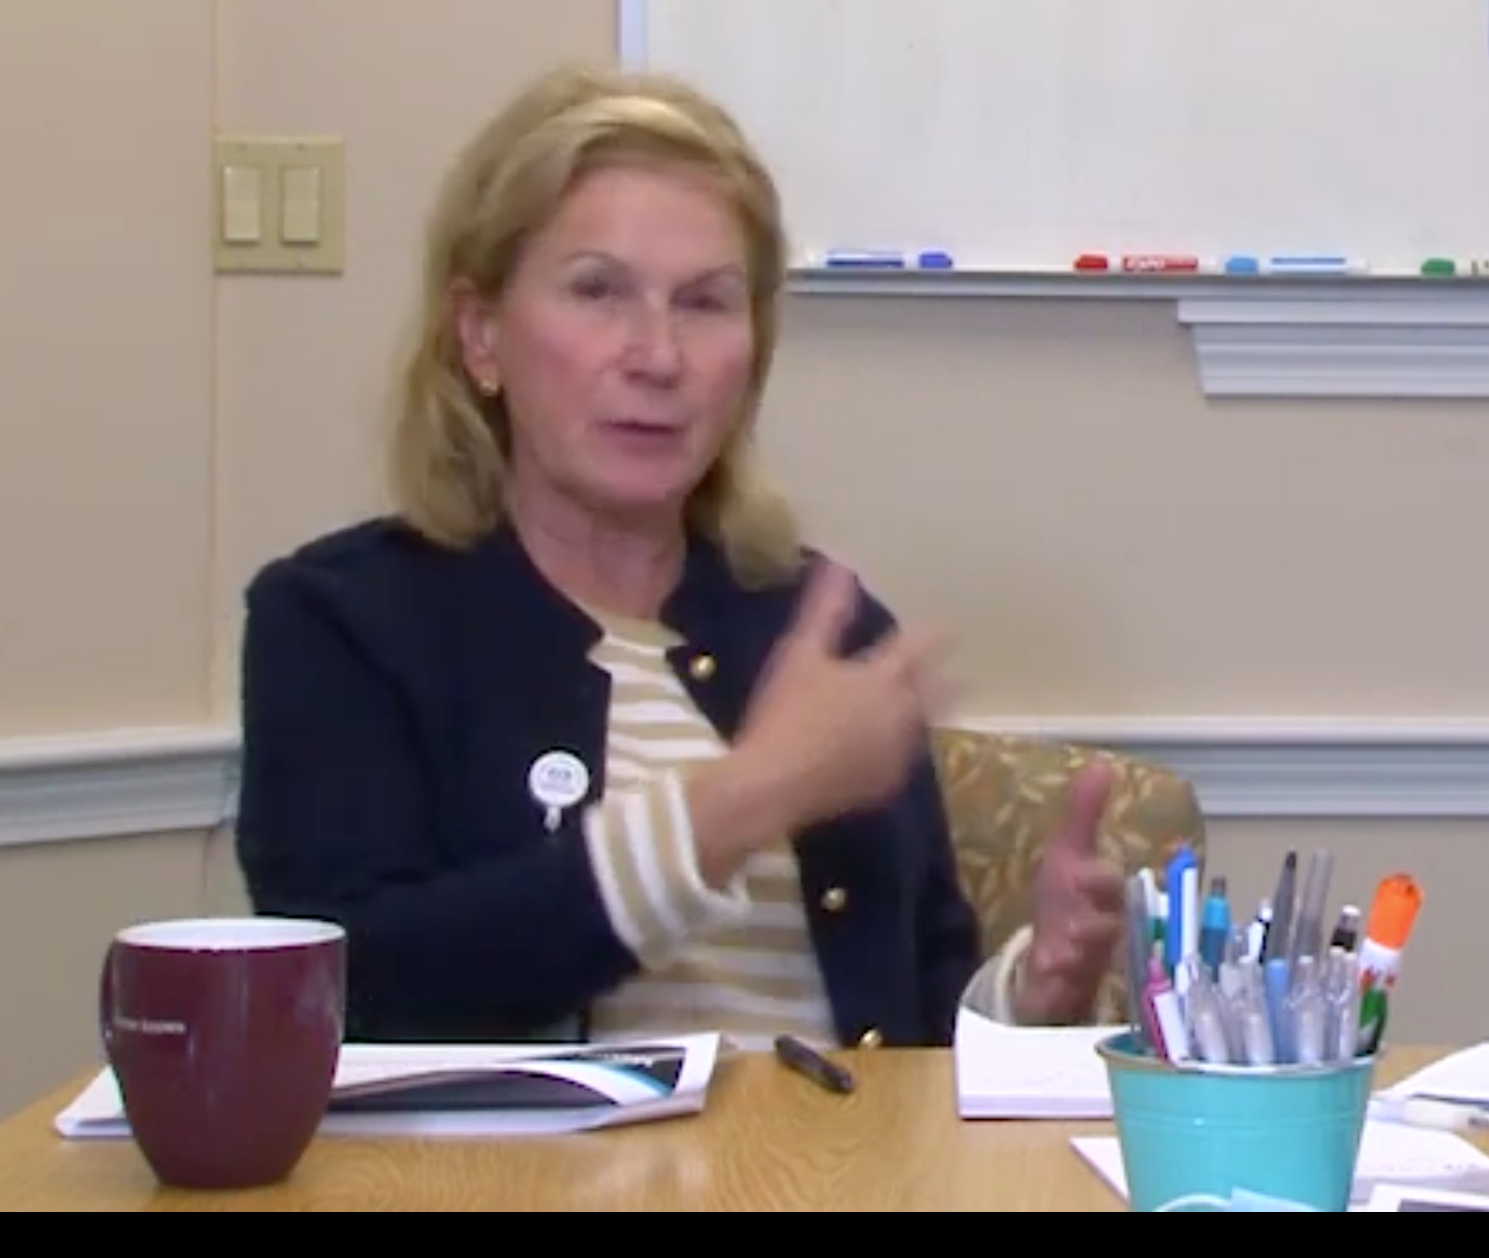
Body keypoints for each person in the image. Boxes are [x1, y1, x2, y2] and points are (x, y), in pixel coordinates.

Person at [233, 64, 1126, 1050]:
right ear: (480, 334)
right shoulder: (342, 622)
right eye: (597, 291)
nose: (658, 357)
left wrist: (1026, 998)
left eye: (704, 303)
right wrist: (748, 796)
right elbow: (353, 991)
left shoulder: (820, 627)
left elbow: (918, 1028)